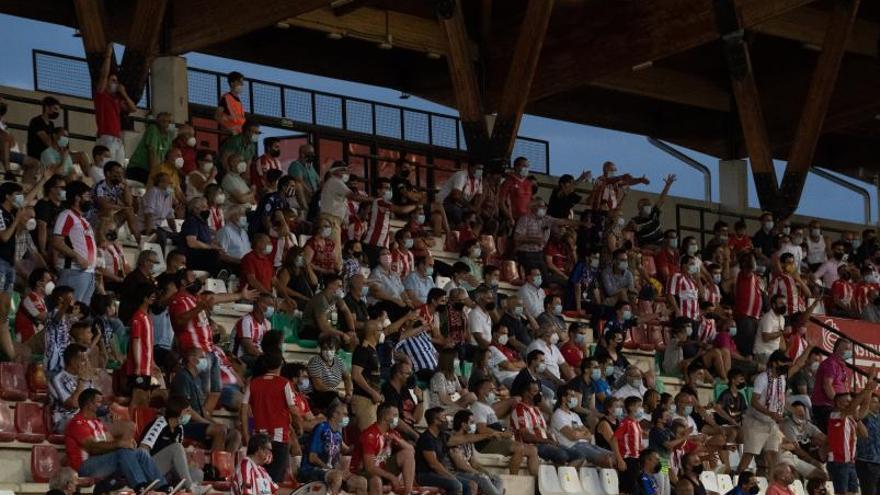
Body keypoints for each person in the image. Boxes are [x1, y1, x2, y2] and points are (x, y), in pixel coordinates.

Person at [169, 269, 256, 415]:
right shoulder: (178, 300)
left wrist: (240, 295)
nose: (196, 280)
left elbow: (215, 298)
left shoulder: (194, 298)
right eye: (193, 277)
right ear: (183, 282)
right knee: (203, 394)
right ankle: (198, 423)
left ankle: (204, 419)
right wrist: (200, 308)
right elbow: (179, 322)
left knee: (215, 392)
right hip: (196, 353)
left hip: (209, 351)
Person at [65, 388, 169, 492]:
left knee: (140, 452)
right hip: (84, 467)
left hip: (102, 461)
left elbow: (110, 441)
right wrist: (120, 443)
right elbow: (93, 447)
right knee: (122, 450)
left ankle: (162, 486)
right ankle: (140, 486)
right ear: (89, 404)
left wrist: (128, 445)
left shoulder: (97, 422)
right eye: (98, 402)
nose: (102, 405)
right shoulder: (76, 423)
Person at [239, 352, 297, 482]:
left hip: (258, 438)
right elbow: (293, 409)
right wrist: (299, 423)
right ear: (281, 364)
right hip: (279, 438)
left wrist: (246, 434)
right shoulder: (284, 383)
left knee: (257, 478)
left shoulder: (253, 383)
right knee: (274, 481)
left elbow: (243, 408)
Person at [170, 347, 239, 454]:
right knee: (219, 430)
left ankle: (228, 465)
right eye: (202, 357)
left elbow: (201, 410)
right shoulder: (182, 378)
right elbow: (186, 409)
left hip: (197, 423)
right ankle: (215, 468)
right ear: (192, 360)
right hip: (185, 424)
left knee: (235, 435)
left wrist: (212, 422)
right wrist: (206, 422)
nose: (205, 361)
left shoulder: (196, 379)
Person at [738, 350, 792, 476]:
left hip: (771, 423)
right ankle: (737, 482)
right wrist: (770, 413)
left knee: (773, 456)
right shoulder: (762, 378)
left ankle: (772, 485)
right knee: (749, 455)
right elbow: (754, 401)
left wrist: (788, 411)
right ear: (773, 363)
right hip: (756, 422)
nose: (785, 366)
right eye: (782, 363)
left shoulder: (782, 380)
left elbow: (780, 400)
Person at [828, 369, 879, 495]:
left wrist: (870, 382)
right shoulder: (835, 415)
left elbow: (864, 407)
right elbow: (853, 407)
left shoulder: (850, 418)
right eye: (847, 401)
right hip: (838, 462)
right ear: (838, 403)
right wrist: (867, 389)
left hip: (850, 463)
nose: (850, 403)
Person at [300, 399, 368, 495]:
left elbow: (338, 457)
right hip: (310, 470)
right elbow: (312, 458)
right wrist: (331, 469)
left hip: (330, 471)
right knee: (336, 476)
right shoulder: (321, 428)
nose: (347, 417)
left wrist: (344, 472)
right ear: (335, 414)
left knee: (362, 481)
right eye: (345, 414)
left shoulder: (338, 435)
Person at [139, 395, 205, 494]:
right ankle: (190, 488)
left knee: (198, 473)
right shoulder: (160, 423)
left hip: (167, 474)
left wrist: (187, 463)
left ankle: (169, 489)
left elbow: (178, 459)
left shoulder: (179, 429)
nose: (190, 414)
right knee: (176, 447)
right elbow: (142, 450)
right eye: (187, 411)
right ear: (178, 411)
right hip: (149, 473)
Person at [350, 402, 417, 495]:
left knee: (407, 454)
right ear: (386, 417)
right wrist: (391, 477)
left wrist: (397, 440)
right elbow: (369, 468)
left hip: (382, 469)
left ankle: (408, 492)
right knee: (376, 480)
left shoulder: (392, 432)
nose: (397, 419)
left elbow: (411, 450)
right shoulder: (370, 435)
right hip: (363, 473)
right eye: (395, 415)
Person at [52, 181, 97, 303]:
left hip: (88, 273)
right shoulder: (67, 215)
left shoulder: (83, 220)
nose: (90, 200)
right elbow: (57, 242)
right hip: (73, 271)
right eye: (87, 196)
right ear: (77, 197)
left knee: (80, 314)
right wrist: (77, 257)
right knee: (69, 312)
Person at [551, 386, 615, 467]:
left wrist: (578, 434)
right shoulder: (558, 415)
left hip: (586, 445)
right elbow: (572, 436)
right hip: (573, 447)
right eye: (572, 396)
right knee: (607, 460)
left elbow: (588, 435)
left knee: (615, 456)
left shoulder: (575, 415)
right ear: (563, 398)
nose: (575, 398)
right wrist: (580, 433)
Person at [416, 407, 473, 495]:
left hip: (437, 472)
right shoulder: (426, 438)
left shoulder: (442, 436)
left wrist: (489, 435)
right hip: (425, 475)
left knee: (470, 484)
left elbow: (465, 438)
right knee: (456, 485)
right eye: (444, 417)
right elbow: (434, 465)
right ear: (436, 421)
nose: (447, 420)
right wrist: (450, 476)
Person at [449, 409, 505, 495]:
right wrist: (478, 473)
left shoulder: (469, 439)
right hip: (456, 472)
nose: (474, 425)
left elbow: (473, 462)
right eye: (471, 422)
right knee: (482, 478)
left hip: (467, 472)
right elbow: (460, 465)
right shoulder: (454, 439)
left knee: (496, 478)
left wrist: (486, 472)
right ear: (463, 425)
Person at [48, 343, 94, 433]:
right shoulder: (57, 379)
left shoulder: (85, 379)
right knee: (83, 426)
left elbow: (94, 402)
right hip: (64, 420)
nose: (87, 364)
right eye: (83, 360)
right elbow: (74, 403)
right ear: (73, 361)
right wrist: (81, 381)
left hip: (85, 419)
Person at [812, 339, 854, 434]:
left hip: (836, 406)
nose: (849, 352)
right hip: (825, 406)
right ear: (837, 349)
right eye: (846, 349)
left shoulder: (841, 365)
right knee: (835, 436)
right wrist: (837, 403)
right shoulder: (831, 363)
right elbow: (827, 385)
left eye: (850, 349)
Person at [300, 274, 356, 344]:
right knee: (332, 337)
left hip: (322, 329)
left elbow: (347, 312)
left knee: (353, 338)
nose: (341, 289)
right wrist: (342, 334)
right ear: (330, 285)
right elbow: (324, 327)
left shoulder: (336, 298)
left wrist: (352, 331)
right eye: (339, 286)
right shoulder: (319, 300)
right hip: (308, 330)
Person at [126, 282, 157, 407]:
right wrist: (138, 366)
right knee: (137, 397)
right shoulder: (138, 317)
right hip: (139, 367)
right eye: (152, 295)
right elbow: (136, 341)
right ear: (144, 297)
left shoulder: (146, 316)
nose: (154, 297)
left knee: (145, 398)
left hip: (146, 366)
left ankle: (140, 423)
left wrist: (152, 362)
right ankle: (132, 423)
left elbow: (148, 343)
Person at [351, 320, 384, 430]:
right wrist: (373, 392)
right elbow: (356, 375)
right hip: (363, 400)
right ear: (374, 333)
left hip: (371, 401)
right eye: (381, 330)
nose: (382, 333)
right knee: (367, 437)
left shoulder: (373, 350)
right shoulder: (363, 350)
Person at [307, 334, 353, 410]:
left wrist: (348, 394)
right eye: (325, 348)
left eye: (331, 348)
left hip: (332, 395)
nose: (328, 351)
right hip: (317, 395)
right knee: (334, 399)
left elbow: (347, 378)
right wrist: (336, 392)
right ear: (321, 349)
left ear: (336, 349)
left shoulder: (338, 361)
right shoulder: (315, 361)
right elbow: (318, 386)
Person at [127, 112, 174, 184]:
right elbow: (152, 153)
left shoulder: (169, 137)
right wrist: (155, 175)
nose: (166, 124)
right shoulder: (153, 129)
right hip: (138, 168)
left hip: (151, 170)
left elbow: (168, 156)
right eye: (163, 121)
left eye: (169, 122)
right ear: (157, 122)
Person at [632, 175, 676, 247]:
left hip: (662, 244)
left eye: (649, 204)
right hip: (648, 247)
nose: (648, 206)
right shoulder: (635, 220)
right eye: (645, 204)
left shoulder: (654, 214)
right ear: (639, 207)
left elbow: (661, 200)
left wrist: (668, 185)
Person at [233, 293, 273, 369]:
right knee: (266, 364)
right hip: (242, 357)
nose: (271, 308)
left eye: (272, 306)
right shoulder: (246, 321)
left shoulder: (268, 324)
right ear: (259, 304)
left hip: (259, 356)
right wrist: (265, 358)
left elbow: (269, 346)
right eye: (269, 305)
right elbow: (248, 348)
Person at [857, 394, 880, 495]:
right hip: (866, 461)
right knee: (869, 491)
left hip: (878, 461)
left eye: (878, 402)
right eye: (873, 402)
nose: (877, 404)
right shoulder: (863, 417)